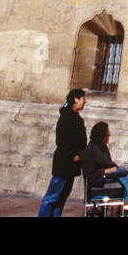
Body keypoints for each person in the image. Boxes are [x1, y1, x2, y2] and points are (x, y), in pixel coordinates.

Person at [82, 121, 128, 217]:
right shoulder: (92, 149)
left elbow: (109, 164)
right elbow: (92, 173)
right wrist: (106, 171)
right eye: (108, 135)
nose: (109, 136)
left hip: (108, 175)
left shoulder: (101, 147)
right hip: (99, 179)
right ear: (102, 136)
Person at [38, 89, 86, 218]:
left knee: (61, 197)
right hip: (64, 164)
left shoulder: (75, 117)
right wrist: (73, 155)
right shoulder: (66, 118)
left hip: (71, 166)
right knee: (52, 197)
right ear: (76, 99)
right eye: (83, 99)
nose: (84, 102)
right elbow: (61, 141)